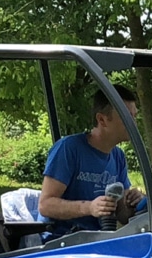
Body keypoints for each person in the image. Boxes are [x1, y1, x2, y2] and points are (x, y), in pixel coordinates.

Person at [38, 84, 145, 236]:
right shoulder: (69, 148)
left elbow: (123, 216)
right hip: (62, 244)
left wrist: (135, 202)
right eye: (127, 117)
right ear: (102, 119)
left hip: (98, 241)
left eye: (135, 116)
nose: (134, 123)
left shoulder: (118, 157)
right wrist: (89, 208)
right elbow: (45, 205)